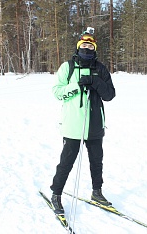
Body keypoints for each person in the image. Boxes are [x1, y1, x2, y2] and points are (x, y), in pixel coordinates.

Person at [50, 28, 116, 214]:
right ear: (78, 47)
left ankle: (97, 192)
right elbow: (57, 92)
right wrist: (76, 85)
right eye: (84, 45)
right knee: (67, 162)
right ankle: (56, 194)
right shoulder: (68, 67)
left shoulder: (100, 68)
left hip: (94, 124)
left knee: (97, 161)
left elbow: (110, 94)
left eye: (90, 45)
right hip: (73, 124)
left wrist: (95, 82)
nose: (87, 48)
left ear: (94, 48)